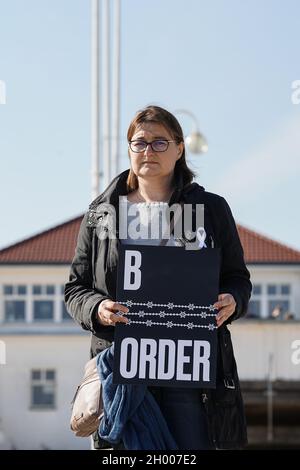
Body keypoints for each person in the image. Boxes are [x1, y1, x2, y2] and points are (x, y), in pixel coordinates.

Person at [65, 105, 252, 450]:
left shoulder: (210, 209)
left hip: (188, 372)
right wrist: (98, 307)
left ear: (180, 149)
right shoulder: (101, 213)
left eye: (159, 142)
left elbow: (237, 279)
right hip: (123, 367)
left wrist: (233, 300)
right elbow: (76, 289)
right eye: (139, 142)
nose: (148, 150)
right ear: (129, 149)